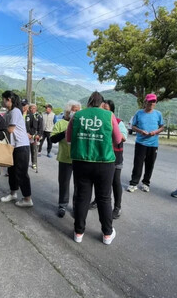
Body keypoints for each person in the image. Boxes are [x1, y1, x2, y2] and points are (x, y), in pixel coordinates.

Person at [67, 92, 122, 245]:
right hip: (104, 162)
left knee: (82, 197)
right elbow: (117, 139)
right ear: (101, 103)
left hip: (81, 161)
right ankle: (107, 234)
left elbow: (69, 139)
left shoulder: (77, 115)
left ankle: (78, 233)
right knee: (104, 198)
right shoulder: (109, 115)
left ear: (89, 102)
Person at [89, 100, 127, 219]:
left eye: (106, 109)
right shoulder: (98, 121)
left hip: (115, 157)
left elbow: (123, 137)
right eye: (102, 109)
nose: (103, 111)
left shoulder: (118, 122)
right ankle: (96, 200)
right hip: (102, 156)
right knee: (99, 180)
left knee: (115, 181)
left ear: (111, 111)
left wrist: (113, 131)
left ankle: (117, 207)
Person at [0, 91, 33, 207]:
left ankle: (27, 198)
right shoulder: (9, 112)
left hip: (21, 146)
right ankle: (13, 193)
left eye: (3, 99)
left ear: (9, 100)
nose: (2, 101)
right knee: (12, 171)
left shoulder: (15, 111)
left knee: (22, 172)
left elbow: (10, 129)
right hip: (13, 146)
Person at [128, 93, 165, 193]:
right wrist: (140, 131)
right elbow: (133, 126)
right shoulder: (139, 113)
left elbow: (162, 127)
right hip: (141, 142)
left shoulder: (158, 114)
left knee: (150, 164)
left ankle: (146, 183)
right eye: (150, 101)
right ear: (145, 102)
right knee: (138, 164)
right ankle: (133, 183)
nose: (152, 103)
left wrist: (155, 132)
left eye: (154, 101)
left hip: (153, 144)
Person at [50, 100, 81, 218]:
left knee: (78, 184)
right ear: (68, 111)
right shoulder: (60, 123)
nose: (76, 113)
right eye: (75, 110)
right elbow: (52, 139)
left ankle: (76, 206)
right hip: (64, 159)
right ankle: (62, 205)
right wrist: (65, 132)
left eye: (78, 111)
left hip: (78, 159)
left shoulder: (80, 123)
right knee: (64, 183)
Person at [26, 103, 43, 170]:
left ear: (36, 109)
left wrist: (39, 135)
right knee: (26, 151)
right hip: (27, 135)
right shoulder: (27, 116)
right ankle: (25, 163)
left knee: (34, 150)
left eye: (33, 108)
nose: (32, 109)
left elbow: (41, 127)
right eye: (31, 108)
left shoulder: (39, 116)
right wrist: (27, 134)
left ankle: (34, 163)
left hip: (35, 136)